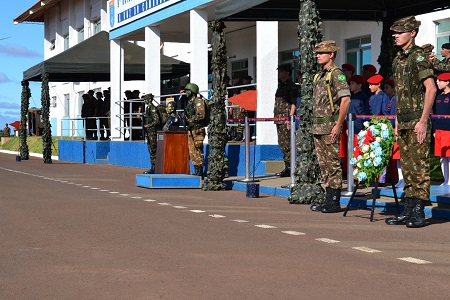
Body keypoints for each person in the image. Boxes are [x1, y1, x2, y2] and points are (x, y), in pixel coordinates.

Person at [385, 15, 436, 228]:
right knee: (407, 167)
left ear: (412, 33)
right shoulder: (399, 58)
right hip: (404, 120)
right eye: (395, 33)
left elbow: (431, 89)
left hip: (417, 121)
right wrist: (397, 119)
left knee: (419, 167)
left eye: (400, 32)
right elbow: (400, 93)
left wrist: (423, 120)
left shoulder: (417, 57)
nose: (396, 36)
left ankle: (419, 212)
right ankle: (408, 210)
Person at [309, 40, 351, 213]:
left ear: (331, 54)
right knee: (323, 164)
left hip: (330, 127)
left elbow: (346, 99)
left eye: (322, 52)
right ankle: (328, 198)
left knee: (332, 164)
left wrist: (338, 124)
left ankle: (334, 201)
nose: (318, 55)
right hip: (318, 127)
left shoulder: (336, 74)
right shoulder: (319, 75)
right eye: (317, 53)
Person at [274, 63, 298, 177]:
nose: (279, 73)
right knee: (282, 143)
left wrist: (290, 118)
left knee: (288, 144)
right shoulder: (281, 85)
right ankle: (287, 167)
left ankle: (290, 168)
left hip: (286, 119)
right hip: (279, 118)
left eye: (281, 71)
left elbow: (294, 103)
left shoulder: (291, 86)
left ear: (287, 73)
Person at [185, 83, 208, 178]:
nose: (186, 92)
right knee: (192, 151)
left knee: (198, 150)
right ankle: (196, 170)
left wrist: (191, 120)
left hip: (197, 129)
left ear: (192, 91)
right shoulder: (190, 102)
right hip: (191, 129)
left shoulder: (198, 101)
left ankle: (200, 171)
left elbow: (201, 115)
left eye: (187, 90)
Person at [384, 79, 404, 188]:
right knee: (397, 156)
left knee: (401, 155)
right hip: (393, 129)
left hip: (398, 129)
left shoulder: (397, 99)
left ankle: (403, 178)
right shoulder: (391, 99)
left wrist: (396, 129)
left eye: (387, 87)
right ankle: (400, 179)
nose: (385, 89)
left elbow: (397, 115)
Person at [432, 73, 450, 185]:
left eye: (440, 81)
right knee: (442, 156)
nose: (437, 82)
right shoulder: (438, 97)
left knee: (449, 155)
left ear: (447, 82)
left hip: (448, 130)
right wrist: (434, 129)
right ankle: (446, 179)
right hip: (439, 130)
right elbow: (434, 114)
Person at [142, 94, 165, 174]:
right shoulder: (148, 108)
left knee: (153, 150)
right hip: (149, 132)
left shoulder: (152, 109)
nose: (144, 101)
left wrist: (148, 125)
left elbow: (157, 121)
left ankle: (155, 168)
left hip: (153, 132)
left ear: (149, 99)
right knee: (151, 150)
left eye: (145, 99)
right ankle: (153, 167)